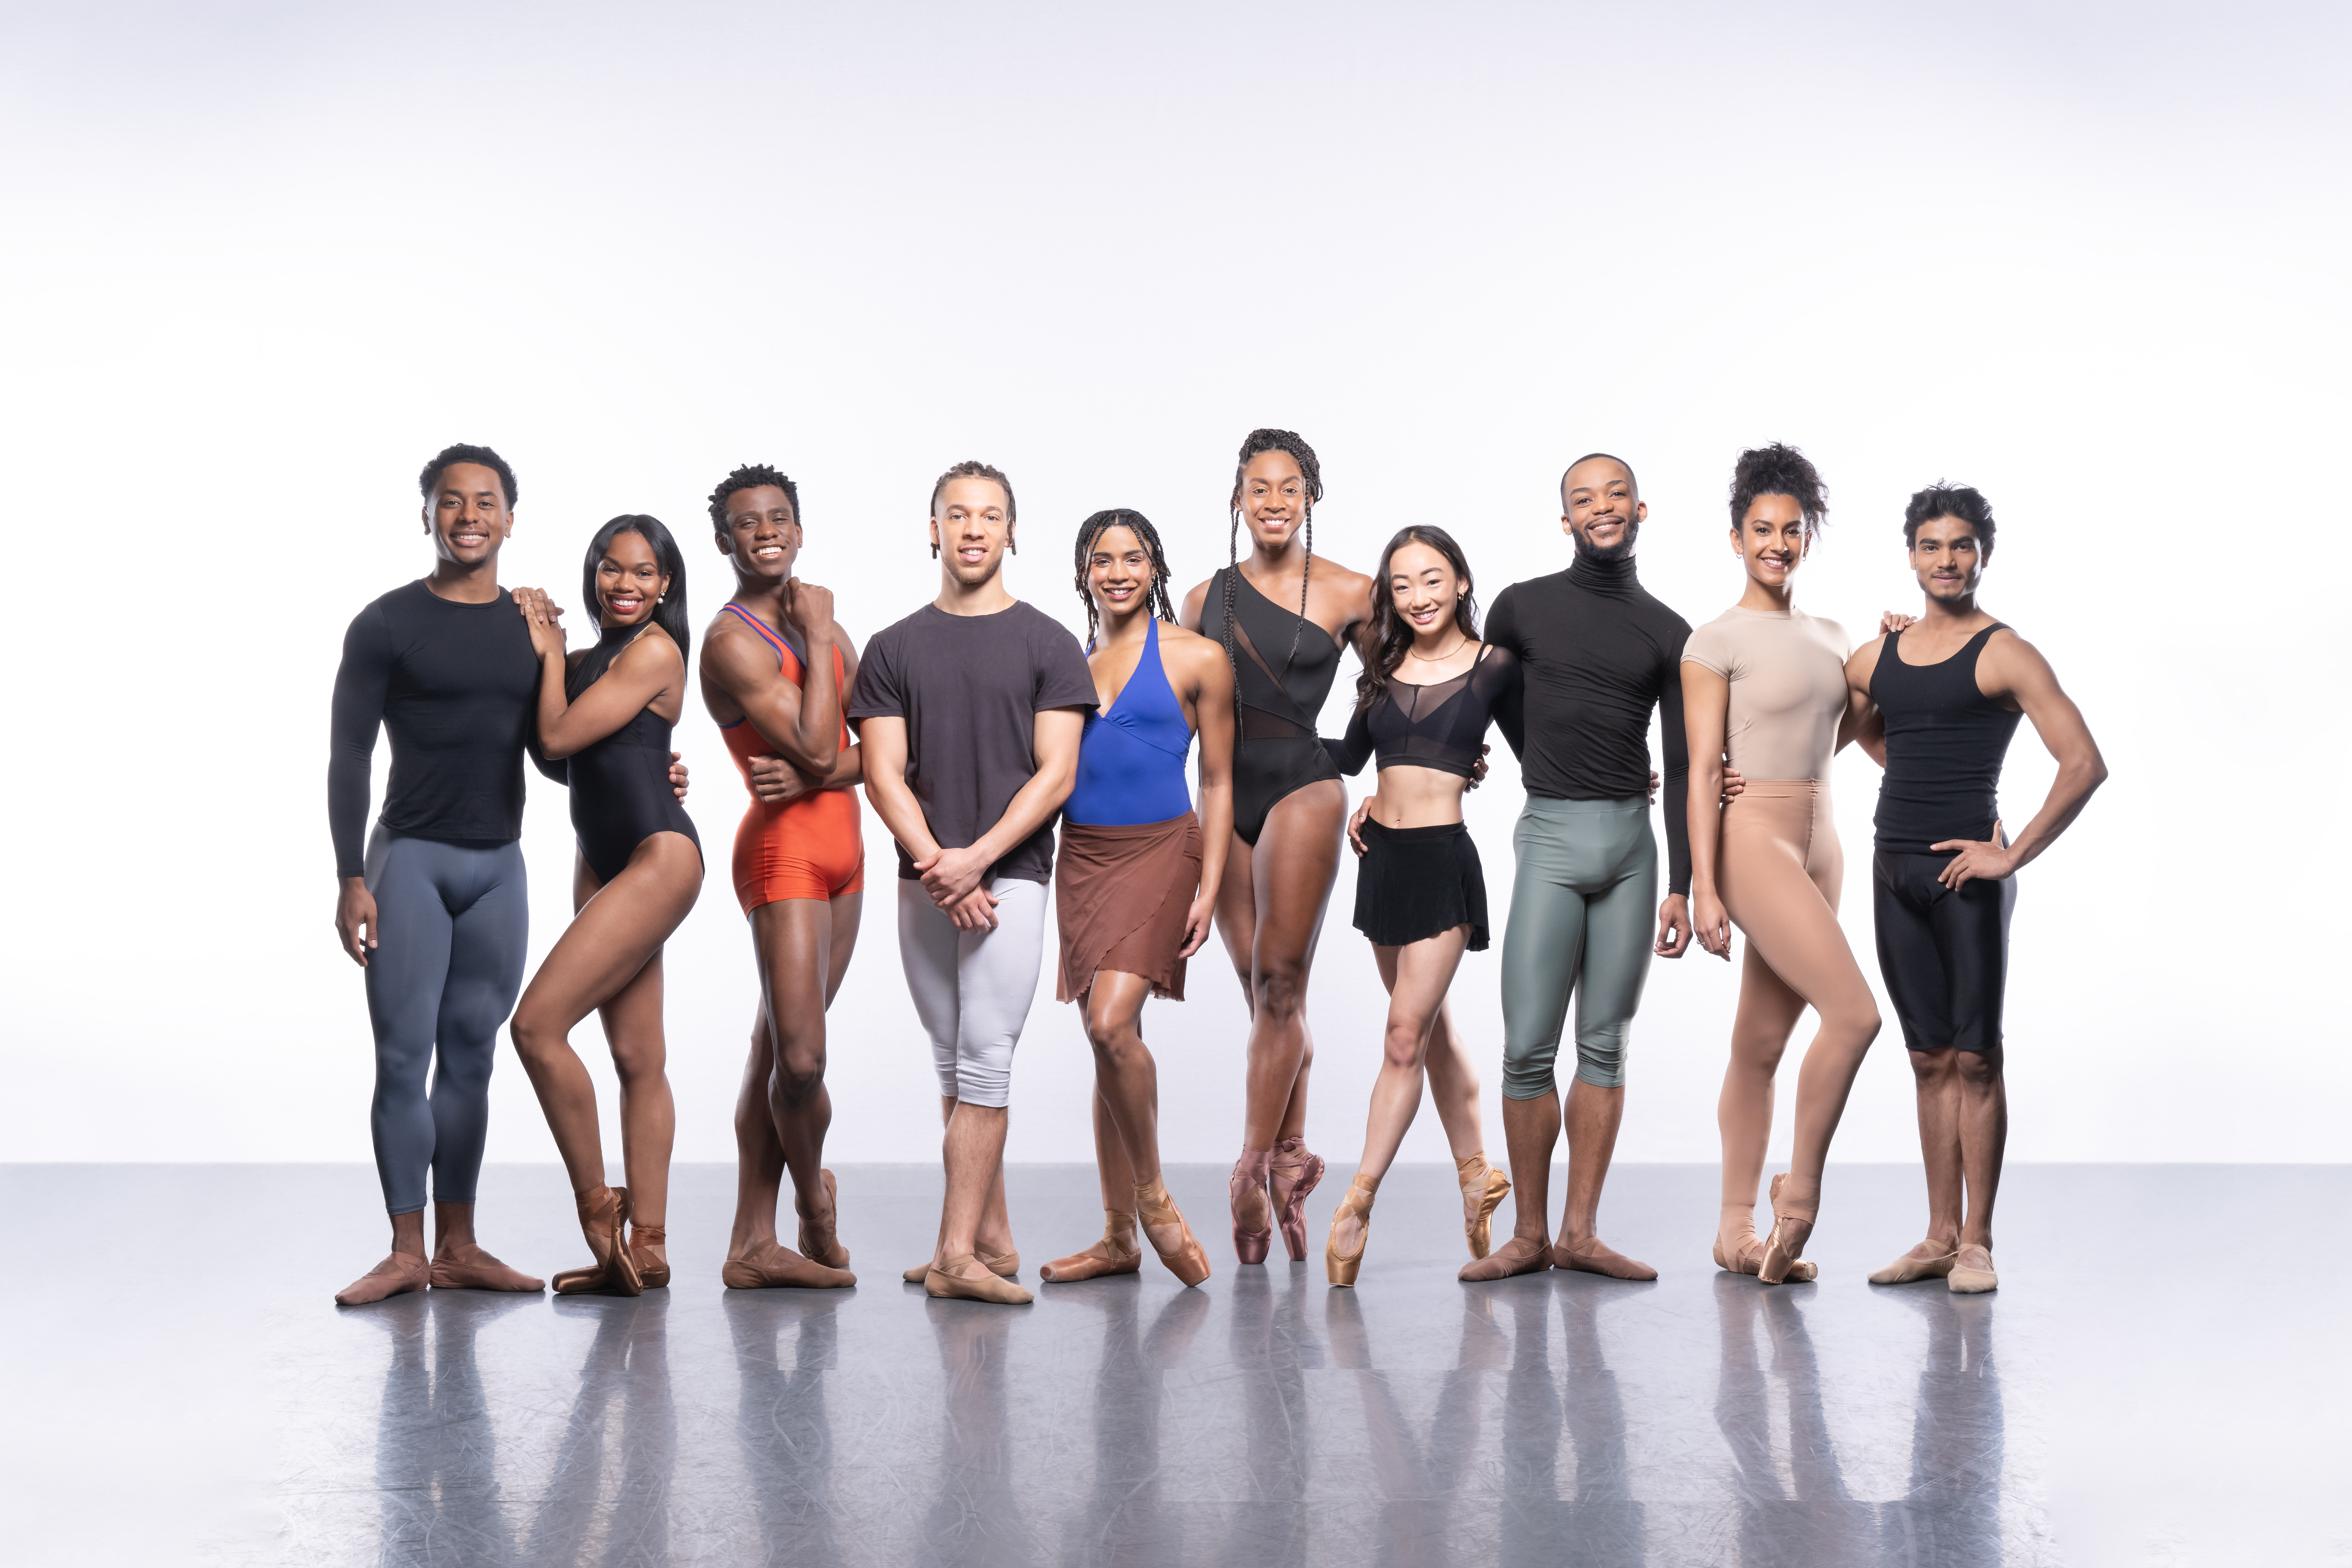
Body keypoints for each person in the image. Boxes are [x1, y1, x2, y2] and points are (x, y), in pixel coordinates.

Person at [327, 443, 684, 1307]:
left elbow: (554, 751)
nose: (469, 517)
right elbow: (347, 752)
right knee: (405, 1054)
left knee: (475, 1060)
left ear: (511, 519)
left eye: (486, 502)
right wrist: (349, 875)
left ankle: (460, 1243)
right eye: (451, 502)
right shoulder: (385, 623)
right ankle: (406, 1248)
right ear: (428, 516)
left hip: (500, 869)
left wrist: (649, 771)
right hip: (409, 857)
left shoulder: (533, 633)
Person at [849, 460, 1097, 1306]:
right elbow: (882, 776)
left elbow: (1054, 774)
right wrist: (937, 863)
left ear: (1012, 533)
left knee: (987, 1061)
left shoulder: (1050, 643)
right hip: (924, 878)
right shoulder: (892, 647)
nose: (974, 528)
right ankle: (990, 1236)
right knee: (952, 1061)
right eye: (957, 514)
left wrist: (974, 859)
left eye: (991, 515)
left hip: (1013, 877)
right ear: (933, 530)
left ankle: (954, 1253)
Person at [1849, 484, 2106, 1294]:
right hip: (1891, 870)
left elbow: (2083, 762)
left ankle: (1978, 1242)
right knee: (1926, 1057)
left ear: (1982, 555)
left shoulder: (2005, 652)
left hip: (1969, 882)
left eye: (1961, 545)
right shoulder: (1878, 653)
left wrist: (2012, 853)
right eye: (1931, 545)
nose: (1946, 559)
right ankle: (1935, 1235)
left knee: (1976, 1059)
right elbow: (1856, 719)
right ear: (1912, 556)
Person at [1465, 452, 1699, 1283]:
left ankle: (1580, 1233)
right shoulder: (1522, 607)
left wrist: (1682, 881)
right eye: (1582, 498)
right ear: (1564, 518)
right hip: (1554, 840)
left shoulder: (1671, 630)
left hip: (1634, 853)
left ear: (1642, 508)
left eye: (1615, 495)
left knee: (1606, 1046)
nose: (1601, 507)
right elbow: (1480, 709)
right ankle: (1527, 1235)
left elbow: (1682, 756)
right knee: (1527, 1047)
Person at [1178, 428, 1375, 1264]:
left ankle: (1251, 1170)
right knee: (1261, 994)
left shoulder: (1350, 591)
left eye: (1288, 488)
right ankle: (1294, 1153)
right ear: (1236, 498)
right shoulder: (1199, 599)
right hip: (1223, 799)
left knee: (1280, 984)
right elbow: (1173, 714)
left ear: (1310, 500)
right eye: (1258, 488)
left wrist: (1377, 773)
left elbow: (1396, 687)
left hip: (1304, 786)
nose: (1272, 502)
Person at [1684, 443, 1880, 1285]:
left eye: (1791, 529)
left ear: (1809, 537)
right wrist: (1700, 882)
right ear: (1736, 538)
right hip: (1752, 837)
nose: (1776, 542)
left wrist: (1886, 654)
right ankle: (1794, 1200)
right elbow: (1699, 768)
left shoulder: (1834, 636)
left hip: (1822, 833)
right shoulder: (1713, 639)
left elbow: (1840, 733)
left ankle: (1735, 1232)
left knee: (1762, 1039)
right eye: (1761, 529)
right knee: (1855, 1014)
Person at [508, 514, 706, 1295]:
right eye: (611, 569)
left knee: (536, 1025)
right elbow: (572, 764)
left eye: (644, 572)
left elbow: (554, 735)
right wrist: (555, 658)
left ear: (666, 587)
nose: (625, 584)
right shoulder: (590, 660)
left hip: (659, 857)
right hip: (601, 864)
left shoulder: (657, 650)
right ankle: (646, 1248)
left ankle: (602, 1216)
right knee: (636, 1057)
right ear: (594, 574)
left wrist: (548, 653)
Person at [1036, 510, 1234, 1288]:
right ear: (1083, 571)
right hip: (1082, 858)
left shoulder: (1197, 655)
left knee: (1111, 1020)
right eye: (1101, 559)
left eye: (1134, 557)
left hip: (1162, 849)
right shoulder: (1066, 666)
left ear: (1154, 566)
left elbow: (1217, 779)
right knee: (1104, 1039)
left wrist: (1210, 885)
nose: (1118, 571)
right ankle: (1117, 1236)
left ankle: (1152, 1201)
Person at [1320, 527, 1517, 1286]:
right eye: (1401, 585)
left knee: (1403, 1033)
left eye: (1432, 579)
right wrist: (1266, 724)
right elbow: (1347, 757)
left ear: (1462, 581)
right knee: (1428, 1028)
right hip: (1383, 865)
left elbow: (1543, 748)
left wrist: (1631, 775)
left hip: (1442, 864)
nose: (1418, 597)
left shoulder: (1494, 666)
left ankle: (1358, 1201)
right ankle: (1477, 1173)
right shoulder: (1380, 668)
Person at [699, 463, 864, 1291]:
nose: (764, 530)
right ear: (724, 539)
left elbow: (888, 756)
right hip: (782, 856)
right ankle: (814, 1202)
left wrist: (823, 773)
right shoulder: (733, 641)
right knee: (800, 1061)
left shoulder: (831, 637)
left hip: (847, 856)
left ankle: (750, 1244)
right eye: (745, 521)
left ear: (799, 529)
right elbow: (811, 743)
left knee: (775, 1048)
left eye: (778, 518)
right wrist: (822, 626)